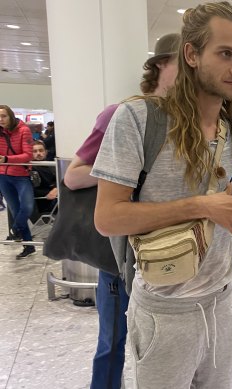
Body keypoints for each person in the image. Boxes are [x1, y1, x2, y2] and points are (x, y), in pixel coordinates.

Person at [92, 3, 232, 388]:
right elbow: (107, 217)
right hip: (164, 310)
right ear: (191, 54)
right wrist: (202, 205)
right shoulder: (139, 119)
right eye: (225, 54)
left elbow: (228, 208)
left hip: (223, 303)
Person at [63, 32, 180, 389]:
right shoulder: (123, 115)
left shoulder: (188, 121)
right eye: (184, 61)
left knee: (164, 346)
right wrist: (119, 180)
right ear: (161, 65)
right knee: (112, 343)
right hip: (120, 254)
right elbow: (74, 175)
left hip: (166, 253)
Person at [0, 104, 35, 258]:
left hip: (21, 175)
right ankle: (28, 246)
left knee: (26, 207)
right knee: (15, 210)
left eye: (3, 116)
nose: (0, 119)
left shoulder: (23, 130)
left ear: (11, 116)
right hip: (3, 176)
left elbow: (28, 155)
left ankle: (14, 230)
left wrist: (6, 159)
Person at [31, 140, 57, 214]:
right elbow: (33, 189)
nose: (38, 153)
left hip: (55, 197)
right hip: (42, 202)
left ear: (46, 152)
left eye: (41, 150)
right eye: (35, 151)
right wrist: (52, 191)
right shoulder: (31, 168)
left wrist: (56, 189)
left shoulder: (52, 165)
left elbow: (58, 180)